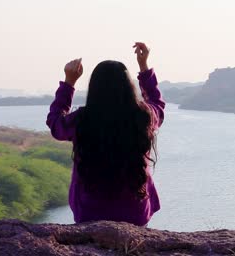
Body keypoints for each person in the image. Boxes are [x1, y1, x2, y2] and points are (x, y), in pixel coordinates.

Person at [46, 42, 165, 226]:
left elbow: (56, 124)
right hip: (135, 213)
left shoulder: (82, 120)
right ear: (128, 86)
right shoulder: (143, 117)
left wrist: (69, 83)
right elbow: (158, 104)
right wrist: (144, 67)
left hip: (90, 213)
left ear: (94, 89)